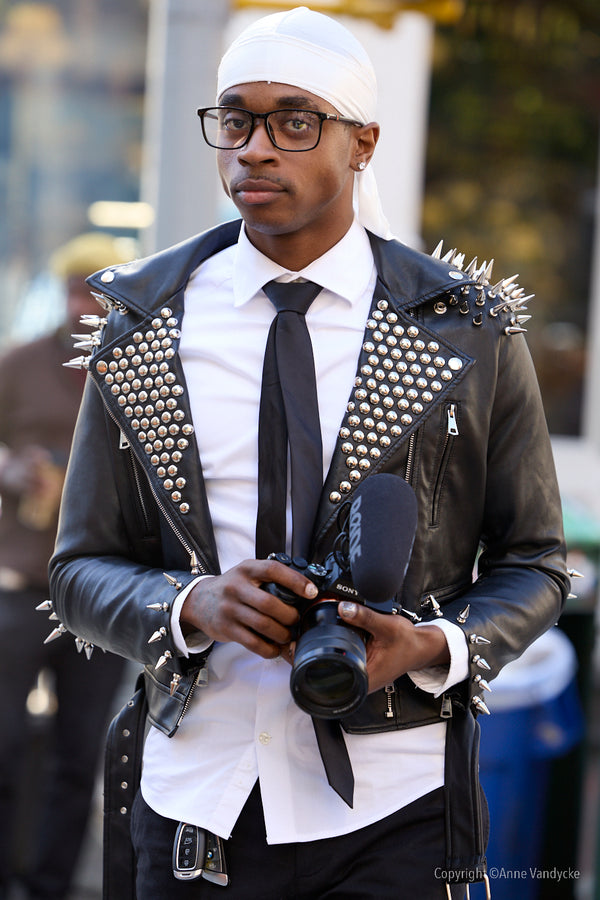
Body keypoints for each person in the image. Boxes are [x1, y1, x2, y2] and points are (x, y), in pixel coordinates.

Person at [48, 8, 569, 899]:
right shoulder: (142, 326)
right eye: (236, 120)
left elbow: (536, 564)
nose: (255, 148)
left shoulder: (464, 330)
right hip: (197, 798)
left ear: (362, 143)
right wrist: (189, 604)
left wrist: (428, 647)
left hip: (397, 803)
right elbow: (80, 568)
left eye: (296, 121)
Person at [0, 234, 132, 900]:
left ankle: (48, 884)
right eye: (76, 289)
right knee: (4, 741)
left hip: (100, 592)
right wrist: (11, 468)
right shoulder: (19, 362)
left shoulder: (133, 369)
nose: (85, 304)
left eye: (97, 293)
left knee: (82, 754)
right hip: (21, 582)